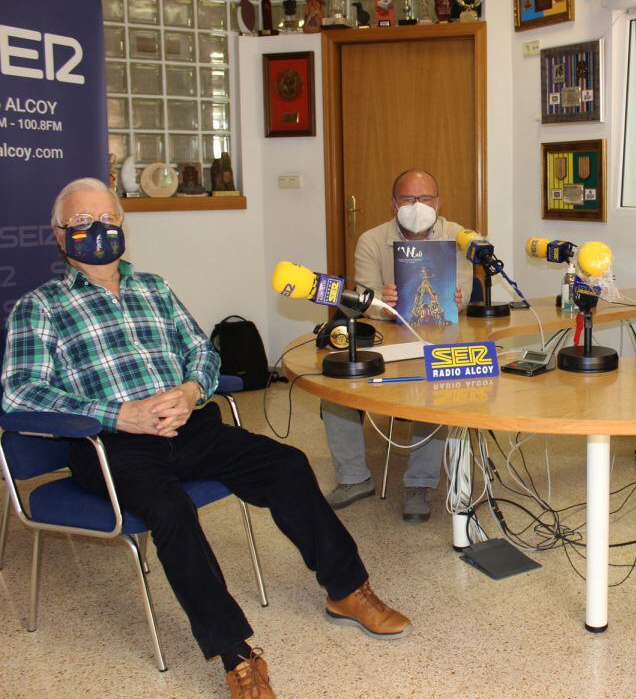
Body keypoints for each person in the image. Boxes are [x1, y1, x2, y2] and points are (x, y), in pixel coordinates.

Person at [3, 178, 412, 699]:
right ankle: (237, 655)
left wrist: (192, 387)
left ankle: (347, 590)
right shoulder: (40, 307)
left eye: (106, 219)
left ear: (123, 225)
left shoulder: (153, 287)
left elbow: (204, 352)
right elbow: (19, 393)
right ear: (59, 236)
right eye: (81, 223)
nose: (97, 231)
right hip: (111, 446)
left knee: (286, 464)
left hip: (189, 426)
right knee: (172, 511)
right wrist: (116, 413)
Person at [322, 168, 473, 521]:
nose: (417, 206)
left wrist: (457, 297)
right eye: (408, 199)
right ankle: (354, 477)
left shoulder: (459, 237)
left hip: (439, 334)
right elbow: (363, 300)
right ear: (394, 203)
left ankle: (419, 484)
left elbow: (463, 296)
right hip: (388, 334)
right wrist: (381, 302)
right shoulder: (372, 240)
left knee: (433, 384)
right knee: (334, 389)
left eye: (425, 199)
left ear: (439, 202)